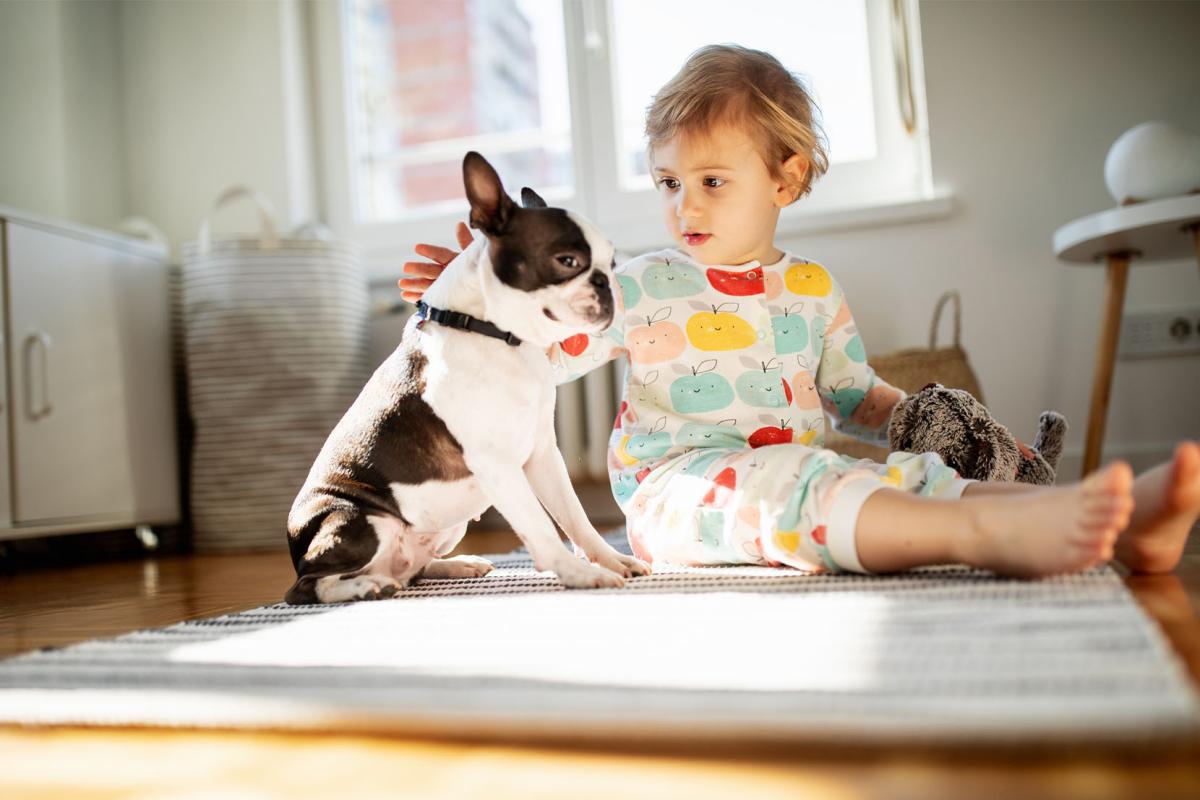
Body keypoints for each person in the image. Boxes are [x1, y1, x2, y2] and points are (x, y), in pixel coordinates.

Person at [400, 44, 1198, 578]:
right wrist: (487, 298)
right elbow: (545, 358)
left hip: (801, 468)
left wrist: (947, 423)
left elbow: (854, 396)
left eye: (713, 180)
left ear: (785, 178)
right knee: (800, 482)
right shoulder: (639, 283)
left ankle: (1104, 524)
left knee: (897, 475)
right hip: (679, 493)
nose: (685, 205)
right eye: (670, 183)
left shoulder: (815, 288)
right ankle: (988, 539)